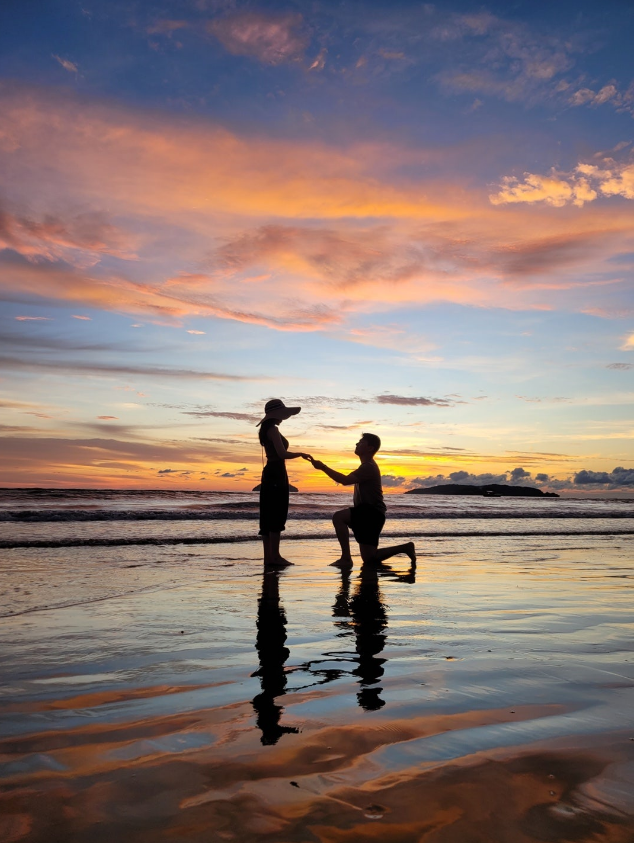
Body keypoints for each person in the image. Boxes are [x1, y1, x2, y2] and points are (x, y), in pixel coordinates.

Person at [305, 432, 416, 567]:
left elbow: (344, 480)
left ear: (370, 448)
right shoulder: (366, 466)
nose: (357, 444)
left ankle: (346, 558)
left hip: (371, 512)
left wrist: (323, 467)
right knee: (369, 558)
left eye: (361, 442)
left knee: (338, 517)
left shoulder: (369, 466)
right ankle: (405, 548)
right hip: (370, 513)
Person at [257, 398, 310, 567]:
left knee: (267, 514)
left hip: (270, 472)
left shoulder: (267, 429)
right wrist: (300, 454)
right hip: (276, 472)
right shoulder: (272, 429)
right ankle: (276, 556)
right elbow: (282, 454)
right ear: (276, 415)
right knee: (277, 513)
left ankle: (269, 557)